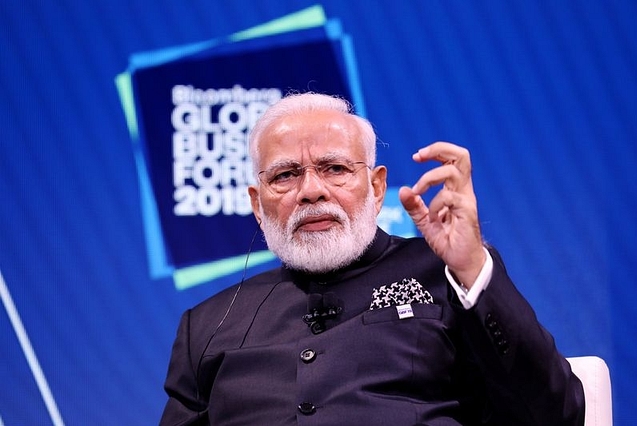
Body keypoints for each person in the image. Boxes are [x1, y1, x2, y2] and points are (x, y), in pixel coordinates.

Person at [160, 92, 585, 425]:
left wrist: (473, 269)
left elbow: (554, 415)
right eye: (286, 175)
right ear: (257, 204)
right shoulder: (208, 325)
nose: (311, 190)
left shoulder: (450, 277)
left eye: (335, 169)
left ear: (377, 188)